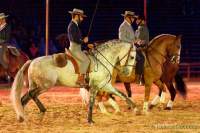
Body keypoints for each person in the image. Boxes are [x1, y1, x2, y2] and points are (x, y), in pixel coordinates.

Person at [67, 8, 90, 86]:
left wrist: (86, 44)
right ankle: (80, 79)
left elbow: (78, 39)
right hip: (75, 49)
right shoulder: (72, 25)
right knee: (86, 61)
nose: (82, 19)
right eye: (81, 17)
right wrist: (83, 41)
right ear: (76, 16)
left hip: (77, 48)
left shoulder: (75, 25)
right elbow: (74, 39)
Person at [118, 11, 142, 84]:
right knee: (141, 59)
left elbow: (131, 37)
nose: (134, 20)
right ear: (127, 18)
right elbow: (121, 38)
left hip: (131, 46)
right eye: (132, 18)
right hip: (125, 47)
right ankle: (137, 77)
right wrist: (133, 42)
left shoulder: (129, 25)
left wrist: (137, 39)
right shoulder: (123, 26)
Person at [135, 14, 149, 85]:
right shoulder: (140, 27)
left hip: (142, 47)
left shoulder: (142, 28)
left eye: (138, 19)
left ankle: (140, 77)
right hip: (139, 46)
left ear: (142, 20)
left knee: (141, 59)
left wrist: (137, 43)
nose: (136, 20)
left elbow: (139, 40)